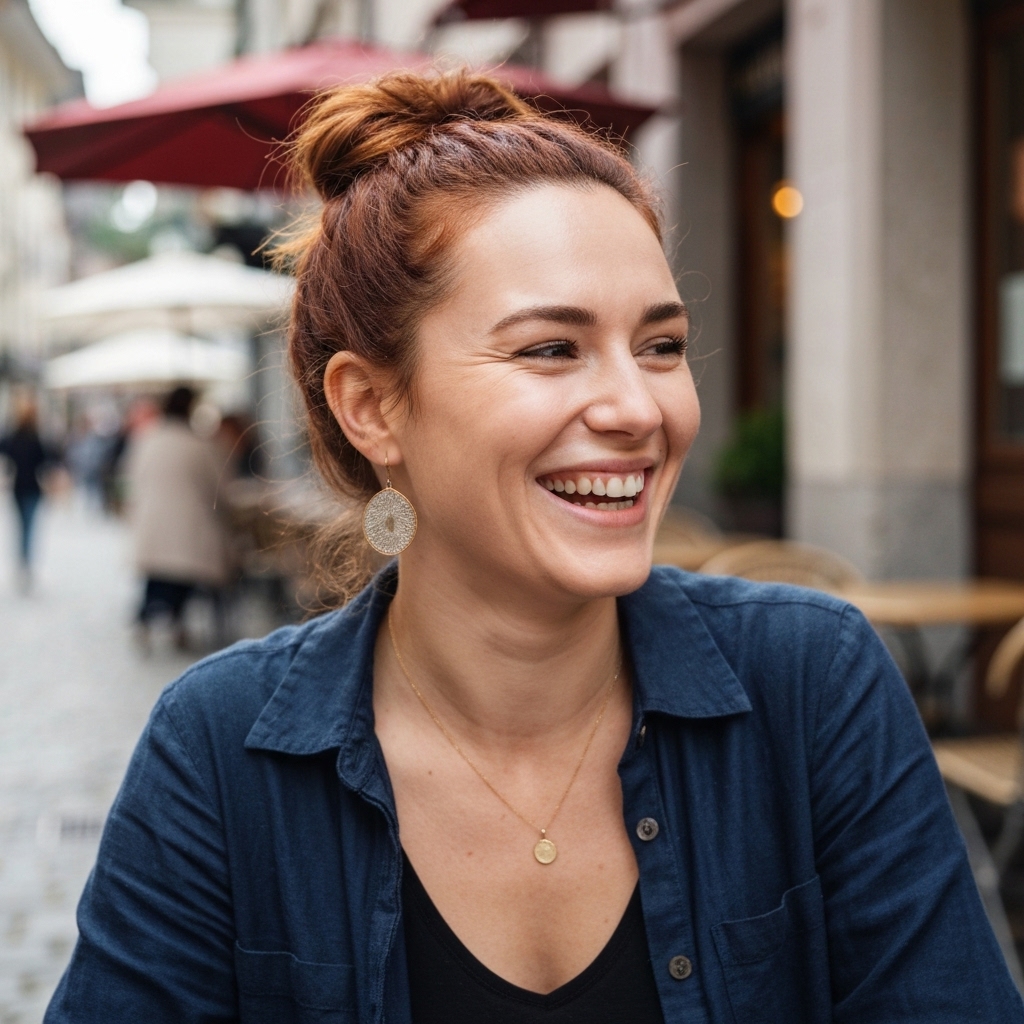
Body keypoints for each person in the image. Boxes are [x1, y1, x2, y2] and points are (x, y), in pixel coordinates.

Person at [45, 71, 1023, 1023]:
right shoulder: (222, 752)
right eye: (550, 348)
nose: (639, 407)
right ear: (372, 407)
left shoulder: (809, 682)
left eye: (661, 345)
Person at [126, 385, 231, 650]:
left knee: (157, 579)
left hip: (152, 523)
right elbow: (219, 487)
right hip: (189, 526)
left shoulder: (146, 439)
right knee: (182, 580)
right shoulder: (201, 445)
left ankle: (147, 621)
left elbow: (132, 479)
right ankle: (174, 623)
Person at [0, 393, 59, 591]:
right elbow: (49, 459)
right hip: (29, 488)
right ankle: (25, 563)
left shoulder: (16, 436)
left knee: (23, 527)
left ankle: (23, 563)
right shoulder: (33, 437)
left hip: (22, 487)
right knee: (28, 527)